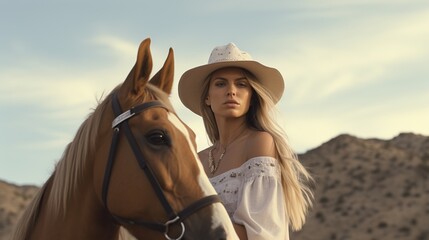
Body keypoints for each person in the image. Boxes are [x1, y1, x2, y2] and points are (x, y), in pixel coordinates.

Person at [178, 43, 313, 239]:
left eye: (241, 84)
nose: (231, 91)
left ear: (251, 96)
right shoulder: (196, 160)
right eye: (221, 83)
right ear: (207, 97)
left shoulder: (260, 142)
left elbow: (260, 233)